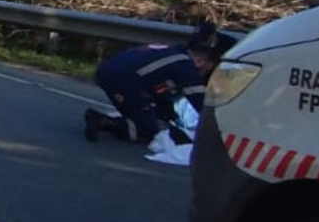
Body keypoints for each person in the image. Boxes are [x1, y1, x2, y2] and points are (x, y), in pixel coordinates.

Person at [84, 22, 237, 144]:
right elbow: (201, 103)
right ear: (203, 62)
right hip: (122, 80)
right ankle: (102, 121)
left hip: (118, 74)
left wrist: (171, 117)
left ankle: (134, 116)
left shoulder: (174, 51)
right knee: (144, 132)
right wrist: (220, 130)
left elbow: (162, 94)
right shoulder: (185, 66)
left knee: (155, 111)